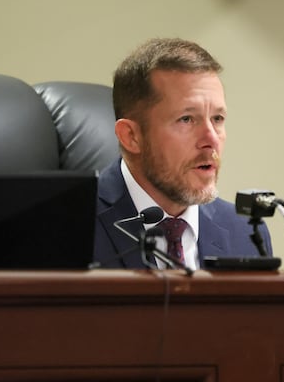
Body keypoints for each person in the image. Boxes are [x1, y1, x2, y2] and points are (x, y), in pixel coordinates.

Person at [94, 37, 272, 270]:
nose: (211, 139)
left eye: (217, 118)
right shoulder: (67, 225)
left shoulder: (246, 232)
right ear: (131, 136)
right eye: (186, 119)